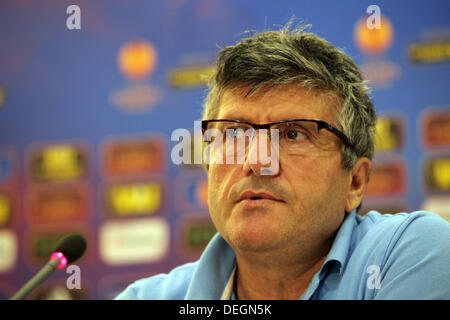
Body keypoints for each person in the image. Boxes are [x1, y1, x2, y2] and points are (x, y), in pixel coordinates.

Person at [115, 23, 450, 300]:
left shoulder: (410, 253)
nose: (256, 161)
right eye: (234, 134)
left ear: (355, 182)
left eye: (293, 134)